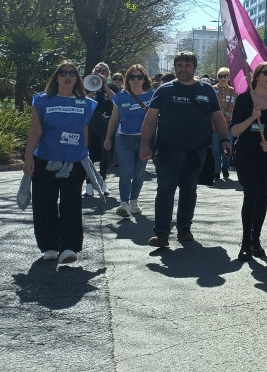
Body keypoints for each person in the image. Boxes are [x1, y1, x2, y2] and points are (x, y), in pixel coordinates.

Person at [140, 51, 231, 248]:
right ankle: (161, 233)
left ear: (194, 68)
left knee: (189, 190)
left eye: (187, 65)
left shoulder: (206, 90)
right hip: (167, 150)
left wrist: (225, 139)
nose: (183, 69)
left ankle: (184, 229)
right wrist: (145, 145)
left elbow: (217, 117)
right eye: (179, 66)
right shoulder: (164, 90)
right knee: (165, 190)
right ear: (175, 68)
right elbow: (150, 119)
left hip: (196, 151)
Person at [23, 62, 97, 264]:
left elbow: (84, 132)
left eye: (72, 73)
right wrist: (28, 157)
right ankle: (49, 246)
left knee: (71, 203)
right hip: (45, 159)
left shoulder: (85, 103)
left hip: (74, 161)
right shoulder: (42, 100)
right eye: (63, 73)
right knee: (44, 203)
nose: (67, 76)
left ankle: (69, 247)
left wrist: (84, 156)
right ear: (56, 77)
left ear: (77, 79)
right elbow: (36, 130)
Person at [230, 62, 267, 261]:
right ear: (256, 75)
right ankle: (245, 242)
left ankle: (256, 239)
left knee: (263, 197)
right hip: (247, 153)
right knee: (251, 195)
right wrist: (252, 117)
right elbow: (234, 131)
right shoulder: (245, 99)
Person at [104, 64, 155, 218]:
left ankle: (134, 201)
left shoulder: (152, 95)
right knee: (126, 171)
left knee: (139, 173)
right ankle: (124, 204)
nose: (136, 80)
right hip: (124, 138)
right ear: (128, 79)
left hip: (145, 139)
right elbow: (114, 118)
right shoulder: (120, 97)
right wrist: (108, 137)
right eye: (132, 77)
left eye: (139, 76)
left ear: (144, 79)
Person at [85, 62, 114, 197]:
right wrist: (94, 89)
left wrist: (105, 86)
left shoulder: (112, 86)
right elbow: (84, 102)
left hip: (107, 125)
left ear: (108, 74)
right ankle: (89, 184)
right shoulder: (87, 85)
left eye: (104, 71)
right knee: (89, 155)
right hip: (91, 125)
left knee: (105, 154)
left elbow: (116, 101)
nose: (101, 73)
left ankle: (102, 182)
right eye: (98, 70)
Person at [212, 68, 237, 181]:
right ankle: (216, 170)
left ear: (229, 78)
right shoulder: (213, 89)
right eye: (220, 76)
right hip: (215, 125)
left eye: (225, 76)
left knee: (227, 148)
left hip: (228, 124)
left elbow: (234, 106)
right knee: (215, 149)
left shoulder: (233, 91)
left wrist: (226, 116)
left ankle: (225, 168)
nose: (223, 78)